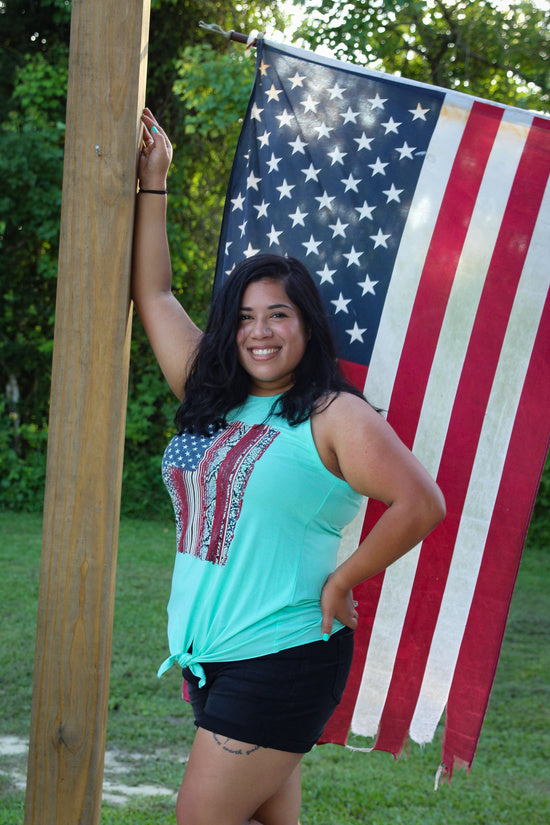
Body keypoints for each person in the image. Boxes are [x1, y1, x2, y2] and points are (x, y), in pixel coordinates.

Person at [132, 108, 446, 825]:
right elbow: (154, 295)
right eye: (244, 316)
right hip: (212, 659)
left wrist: (344, 578)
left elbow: (420, 501)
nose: (259, 332)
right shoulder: (213, 396)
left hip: (284, 654)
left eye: (277, 315)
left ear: (306, 324)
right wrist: (156, 184)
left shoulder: (334, 414)